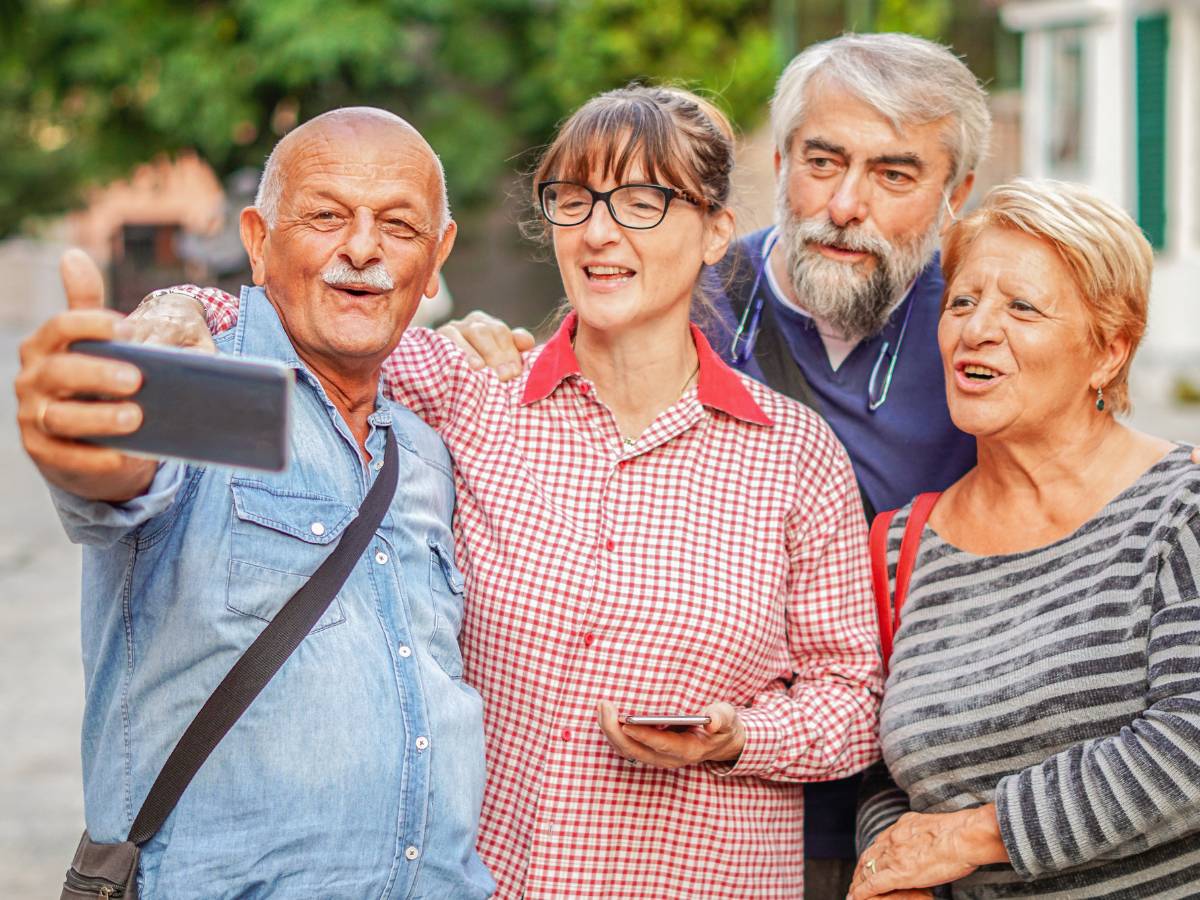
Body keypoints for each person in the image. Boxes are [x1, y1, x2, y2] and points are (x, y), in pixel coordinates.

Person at [139, 85, 883, 898]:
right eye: (574, 200)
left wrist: (737, 737)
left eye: (641, 202)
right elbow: (298, 321)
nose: (599, 232)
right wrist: (176, 304)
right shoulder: (468, 388)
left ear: (713, 231)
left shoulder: (793, 456)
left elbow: (851, 699)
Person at [429, 32, 989, 895]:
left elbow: (1074, 481)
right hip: (527, 854)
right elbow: (317, 350)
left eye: (895, 174)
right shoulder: (680, 289)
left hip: (878, 808)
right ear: (779, 162)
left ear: (956, 196)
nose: (845, 203)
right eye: (823, 160)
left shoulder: (972, 333)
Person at [13, 108, 494, 898]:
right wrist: (82, 436)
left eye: (399, 225)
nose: (364, 247)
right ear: (258, 238)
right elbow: (118, 471)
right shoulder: (200, 381)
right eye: (327, 215)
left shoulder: (429, 450)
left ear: (436, 258)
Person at [849, 179, 1200, 899]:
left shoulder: (1181, 508)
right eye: (963, 302)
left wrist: (969, 837)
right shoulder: (898, 548)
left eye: (1023, 308)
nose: (977, 330)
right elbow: (883, 774)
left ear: (1108, 351)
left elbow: (1190, 743)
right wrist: (895, 865)